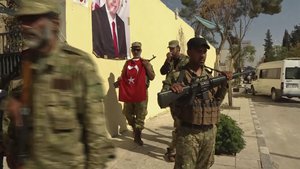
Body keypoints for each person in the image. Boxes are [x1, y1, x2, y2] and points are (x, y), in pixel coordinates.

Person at [8, 0, 115, 168]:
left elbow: (97, 137)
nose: (26, 26)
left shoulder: (78, 66)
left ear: (55, 23)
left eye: (33, 18)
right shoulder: (26, 66)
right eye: (24, 20)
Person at [162, 37, 232, 169]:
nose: (202, 55)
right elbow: (163, 100)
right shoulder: (177, 76)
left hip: (209, 132)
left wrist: (224, 84)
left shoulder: (210, 76)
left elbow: (216, 101)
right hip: (188, 133)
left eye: (204, 52)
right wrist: (174, 89)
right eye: (199, 51)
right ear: (189, 53)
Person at [118, 42, 155, 146]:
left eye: (138, 49)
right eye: (134, 49)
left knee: (140, 115)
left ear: (141, 50)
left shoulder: (145, 62)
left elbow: (152, 77)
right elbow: (123, 75)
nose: (136, 51)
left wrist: (147, 66)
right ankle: (135, 128)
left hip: (141, 92)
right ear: (131, 50)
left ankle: (138, 135)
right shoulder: (128, 63)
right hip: (129, 92)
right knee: (127, 113)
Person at [160, 40, 189, 162]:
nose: (170, 51)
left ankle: (173, 149)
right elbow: (162, 71)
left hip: (182, 96)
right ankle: (173, 149)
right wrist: (167, 60)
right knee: (178, 124)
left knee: (179, 124)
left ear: (178, 48)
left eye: (173, 49)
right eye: (170, 49)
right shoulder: (170, 60)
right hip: (171, 95)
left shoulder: (186, 60)